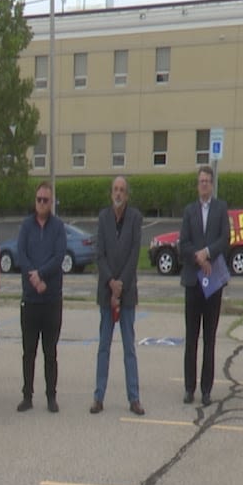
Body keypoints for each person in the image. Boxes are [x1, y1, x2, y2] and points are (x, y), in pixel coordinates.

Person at [92, 176, 144, 415]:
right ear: (110, 193)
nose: (119, 193)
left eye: (122, 190)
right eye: (115, 189)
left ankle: (134, 398)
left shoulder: (135, 218)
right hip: (106, 291)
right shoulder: (103, 218)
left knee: (129, 348)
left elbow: (134, 254)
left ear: (127, 194)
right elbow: (99, 254)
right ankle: (98, 397)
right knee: (103, 346)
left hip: (128, 292)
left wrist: (121, 283)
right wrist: (111, 282)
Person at [179, 166, 230, 406]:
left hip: (213, 283)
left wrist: (208, 253)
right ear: (197, 184)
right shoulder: (189, 211)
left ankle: (206, 388)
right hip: (193, 281)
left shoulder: (221, 209)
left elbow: (225, 238)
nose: (205, 185)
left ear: (212, 184)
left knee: (210, 337)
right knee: (192, 338)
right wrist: (198, 257)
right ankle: (189, 388)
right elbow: (184, 243)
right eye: (201, 181)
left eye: (208, 181)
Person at [16, 181, 67, 413]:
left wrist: (42, 274)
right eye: (39, 200)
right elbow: (21, 255)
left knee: (50, 352)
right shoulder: (26, 226)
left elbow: (58, 257)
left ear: (51, 202)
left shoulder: (58, 227)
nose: (42, 203)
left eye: (46, 200)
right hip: (30, 300)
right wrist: (33, 278)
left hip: (51, 300)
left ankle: (51, 397)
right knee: (29, 352)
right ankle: (27, 396)